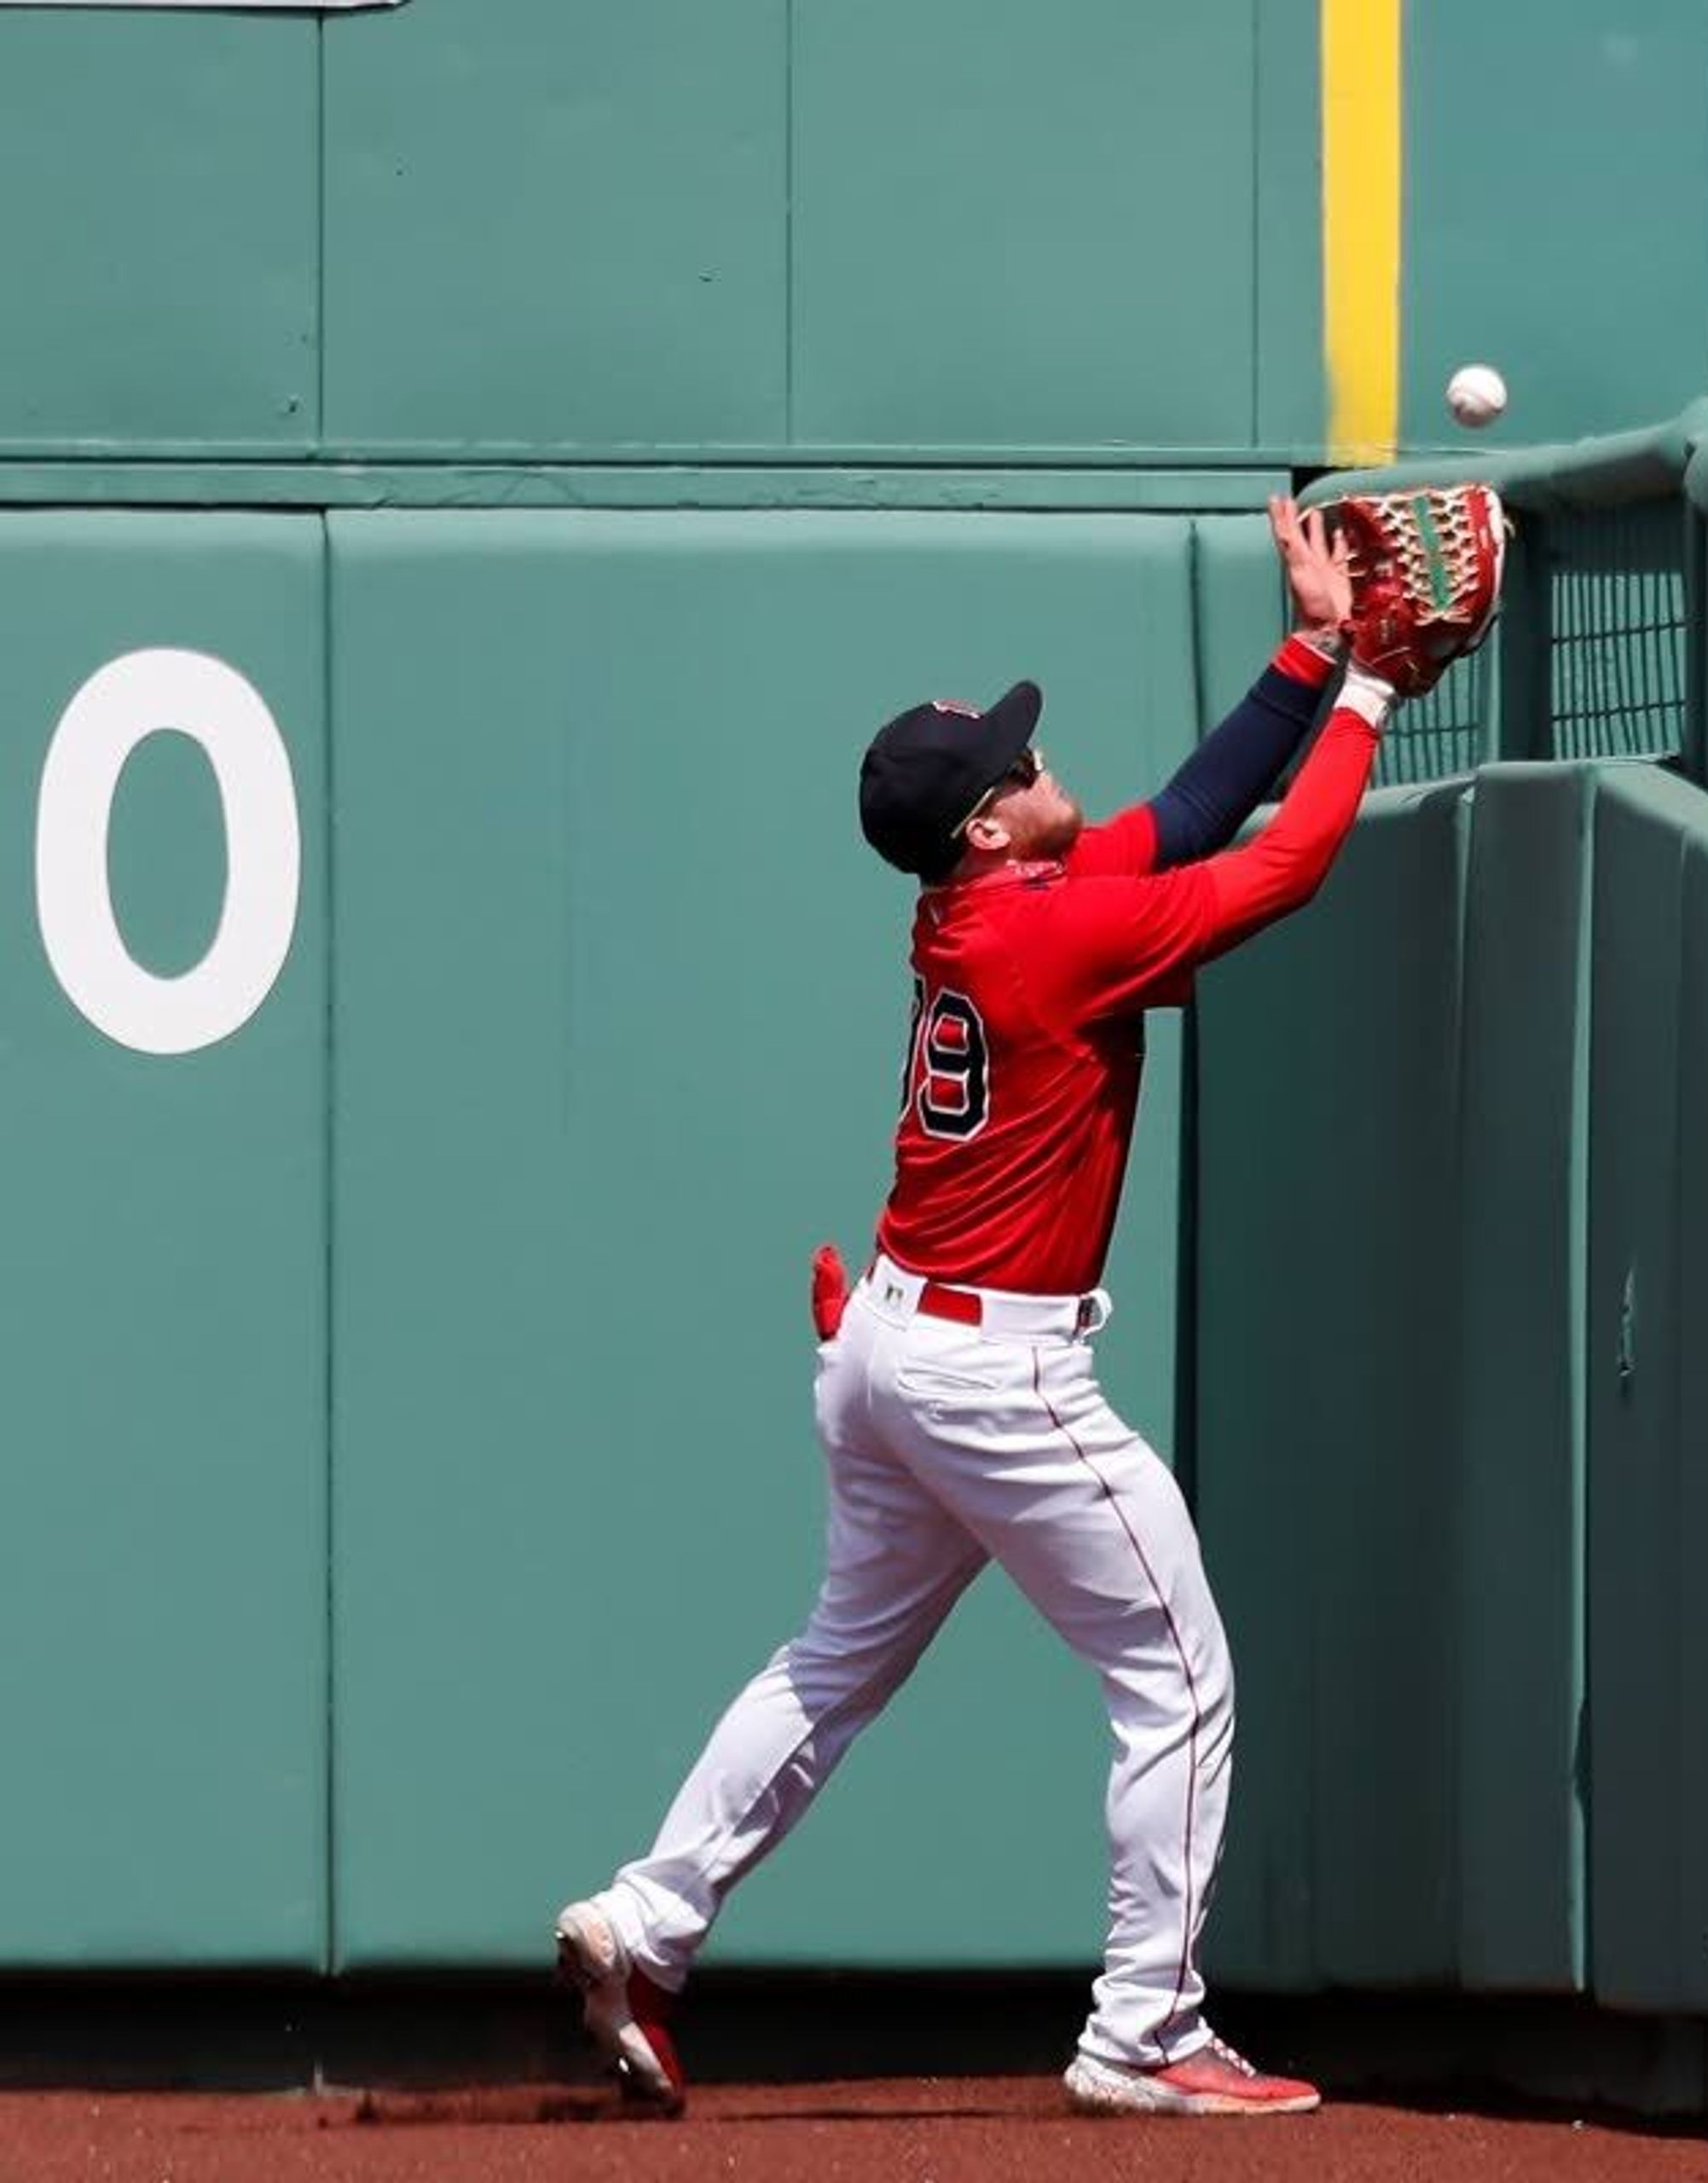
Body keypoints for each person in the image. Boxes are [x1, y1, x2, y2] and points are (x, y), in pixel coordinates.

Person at [550, 495, 1452, 2121]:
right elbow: (1287, 864)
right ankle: (1146, 2028)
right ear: (984, 829)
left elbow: (1183, 814)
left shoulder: (997, 910)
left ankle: (645, 1917)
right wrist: (1378, 690)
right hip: (989, 1370)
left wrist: (1314, 648)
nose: (1045, 767)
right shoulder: (1056, 936)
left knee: (832, 1664)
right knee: (1176, 1677)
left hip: (886, 1348)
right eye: (1018, 769)